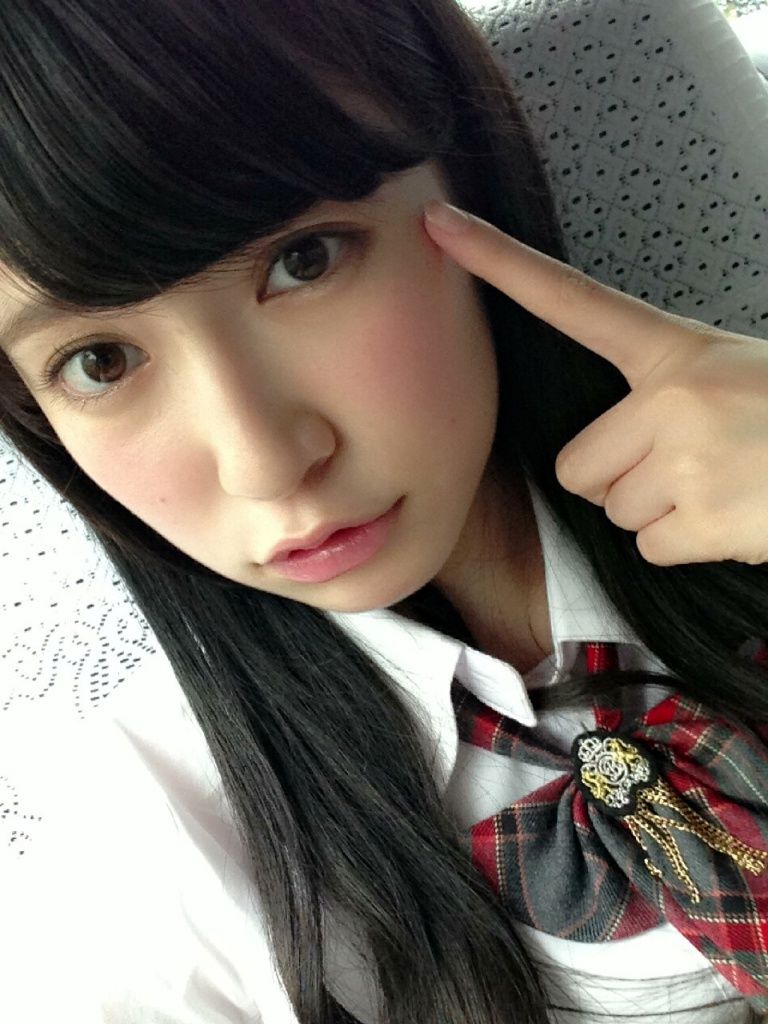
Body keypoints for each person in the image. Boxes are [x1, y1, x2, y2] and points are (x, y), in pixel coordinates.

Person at [0, 1, 767, 1022]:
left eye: (305, 259)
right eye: (99, 362)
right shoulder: (153, 852)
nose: (265, 462)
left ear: (468, 181)